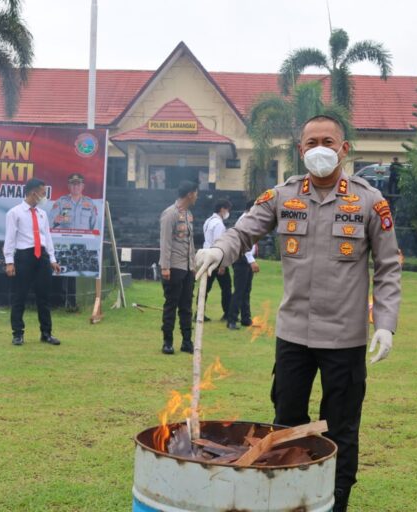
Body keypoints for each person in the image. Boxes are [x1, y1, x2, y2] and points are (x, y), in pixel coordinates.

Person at [195, 115, 402, 511]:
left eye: (329, 141)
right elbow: (242, 231)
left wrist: (386, 324)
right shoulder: (282, 196)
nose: (319, 148)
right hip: (293, 337)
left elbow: (389, 266)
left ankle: (334, 502)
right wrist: (220, 249)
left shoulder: (369, 200)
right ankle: (291, 500)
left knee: (341, 428)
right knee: (286, 421)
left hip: (345, 338)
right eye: (311, 142)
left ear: (345, 149)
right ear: (300, 150)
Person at [3, 178, 62, 346]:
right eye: (43, 193)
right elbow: (10, 238)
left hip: (41, 257)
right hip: (24, 256)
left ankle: (46, 333)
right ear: (32, 192)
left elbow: (47, 237)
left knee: (44, 297)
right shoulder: (15, 213)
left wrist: (52, 259)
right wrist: (9, 261)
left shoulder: (42, 214)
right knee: (19, 296)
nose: (44, 196)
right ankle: (17, 334)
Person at [159, 180, 198, 355]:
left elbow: (190, 243)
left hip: (187, 267)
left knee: (186, 306)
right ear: (190, 194)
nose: (197, 196)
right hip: (174, 267)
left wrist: (194, 265)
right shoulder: (170, 214)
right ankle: (167, 342)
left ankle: (187, 341)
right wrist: (165, 267)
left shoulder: (189, 214)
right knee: (171, 305)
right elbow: (165, 242)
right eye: (196, 193)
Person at [226, 201, 259, 328]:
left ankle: (246, 318)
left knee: (246, 290)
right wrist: (251, 261)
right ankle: (232, 319)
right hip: (242, 258)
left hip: (245, 258)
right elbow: (244, 243)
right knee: (240, 290)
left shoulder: (248, 220)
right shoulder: (245, 221)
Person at [202, 199, 233, 325]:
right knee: (226, 287)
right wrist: (222, 264)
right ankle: (227, 312)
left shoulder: (208, 221)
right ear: (222, 209)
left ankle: (199, 312)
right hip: (216, 258)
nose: (228, 212)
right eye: (227, 209)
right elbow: (219, 244)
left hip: (207, 256)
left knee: (205, 287)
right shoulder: (219, 224)